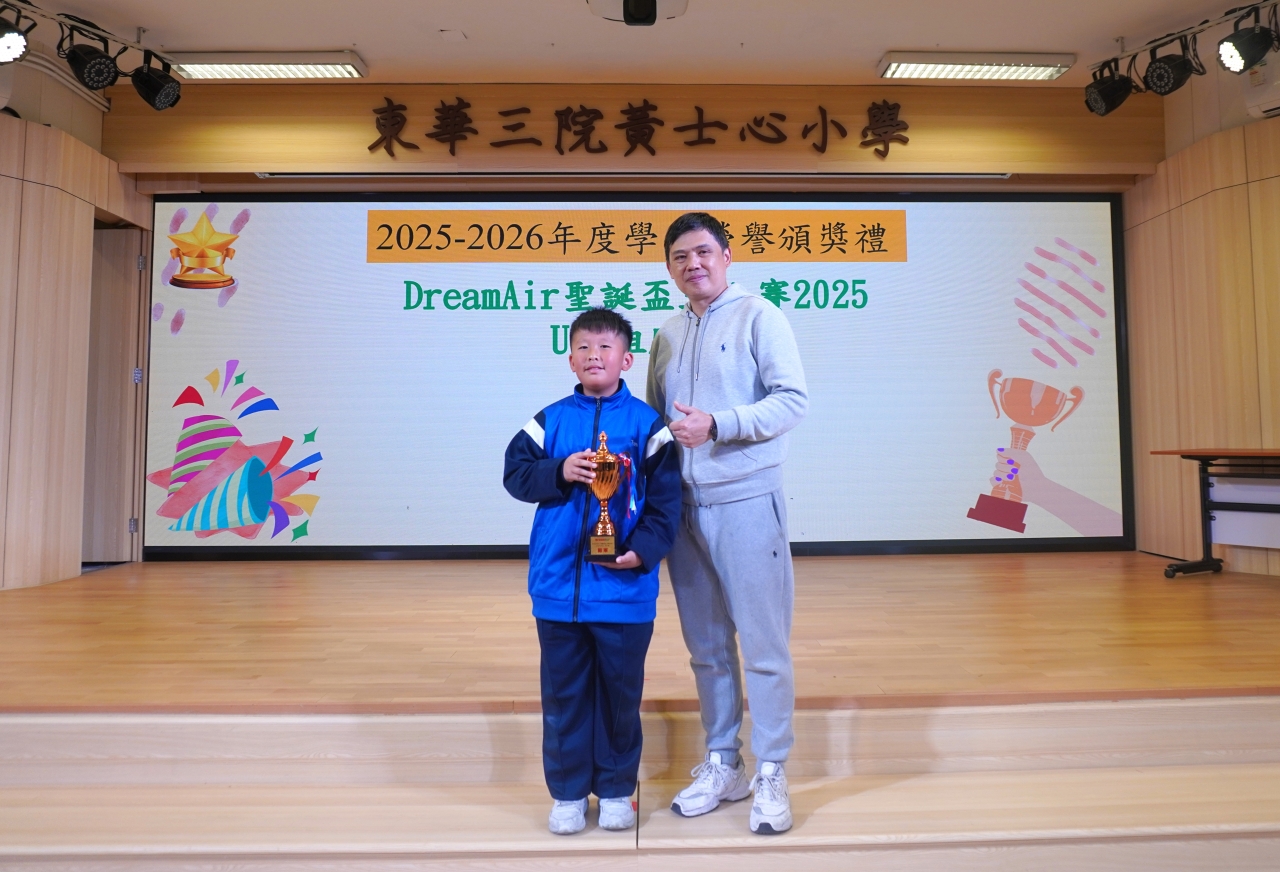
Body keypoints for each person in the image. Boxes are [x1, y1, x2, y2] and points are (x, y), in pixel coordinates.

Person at [646, 212, 809, 835]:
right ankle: (724, 762)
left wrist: (718, 424)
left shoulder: (760, 317)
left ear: (727, 256)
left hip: (747, 500)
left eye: (704, 252)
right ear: (669, 268)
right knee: (707, 650)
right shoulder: (666, 333)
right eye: (680, 257)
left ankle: (771, 769)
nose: (693, 264)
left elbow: (791, 401)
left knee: (764, 647)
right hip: (683, 511)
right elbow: (657, 423)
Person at [504, 307, 682, 836]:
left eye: (605, 347)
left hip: (624, 592)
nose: (593, 355)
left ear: (626, 359)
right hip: (557, 590)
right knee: (563, 698)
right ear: (570, 359)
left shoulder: (648, 425)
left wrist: (642, 551)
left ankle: (616, 789)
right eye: (583, 347)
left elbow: (667, 503)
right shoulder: (549, 420)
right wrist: (558, 470)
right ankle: (566, 793)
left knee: (620, 699)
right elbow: (515, 474)